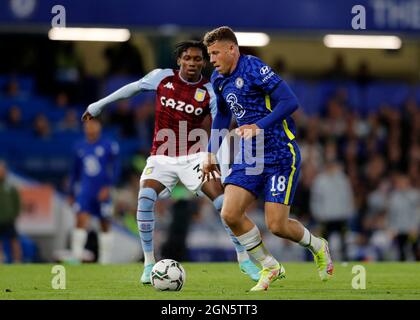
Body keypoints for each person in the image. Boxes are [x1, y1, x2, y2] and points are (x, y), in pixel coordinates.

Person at [81, 40, 260, 284]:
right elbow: (131, 89)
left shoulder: (210, 91)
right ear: (179, 60)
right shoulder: (162, 78)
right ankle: (148, 264)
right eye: (188, 58)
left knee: (222, 203)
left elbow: (220, 127)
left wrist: (217, 160)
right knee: (145, 199)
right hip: (161, 156)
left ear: (204, 62)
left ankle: (244, 260)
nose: (193, 63)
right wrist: (98, 105)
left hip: (194, 156)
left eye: (198, 59)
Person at [202, 26, 334, 291]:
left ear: (232, 49)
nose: (212, 59)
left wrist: (258, 126)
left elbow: (289, 102)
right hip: (250, 155)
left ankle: (318, 245)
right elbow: (222, 116)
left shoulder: (254, 68)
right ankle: (270, 266)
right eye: (210, 54)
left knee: (277, 225)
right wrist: (211, 152)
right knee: (229, 213)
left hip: (280, 153)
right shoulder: (218, 79)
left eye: (216, 53)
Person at [68, 118, 120, 264]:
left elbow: (116, 168)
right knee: (80, 220)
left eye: (93, 124)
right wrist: (71, 192)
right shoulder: (79, 147)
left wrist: (108, 187)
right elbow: (74, 172)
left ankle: (105, 261)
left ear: (99, 126)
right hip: (85, 191)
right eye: (87, 125)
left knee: (104, 223)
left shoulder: (109, 145)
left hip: (103, 191)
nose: (90, 127)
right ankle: (76, 256)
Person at [0, 160, 22, 263]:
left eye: (3, 170)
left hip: (9, 220)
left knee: (14, 240)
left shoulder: (10, 187)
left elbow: (17, 203)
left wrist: (14, 215)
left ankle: (17, 261)